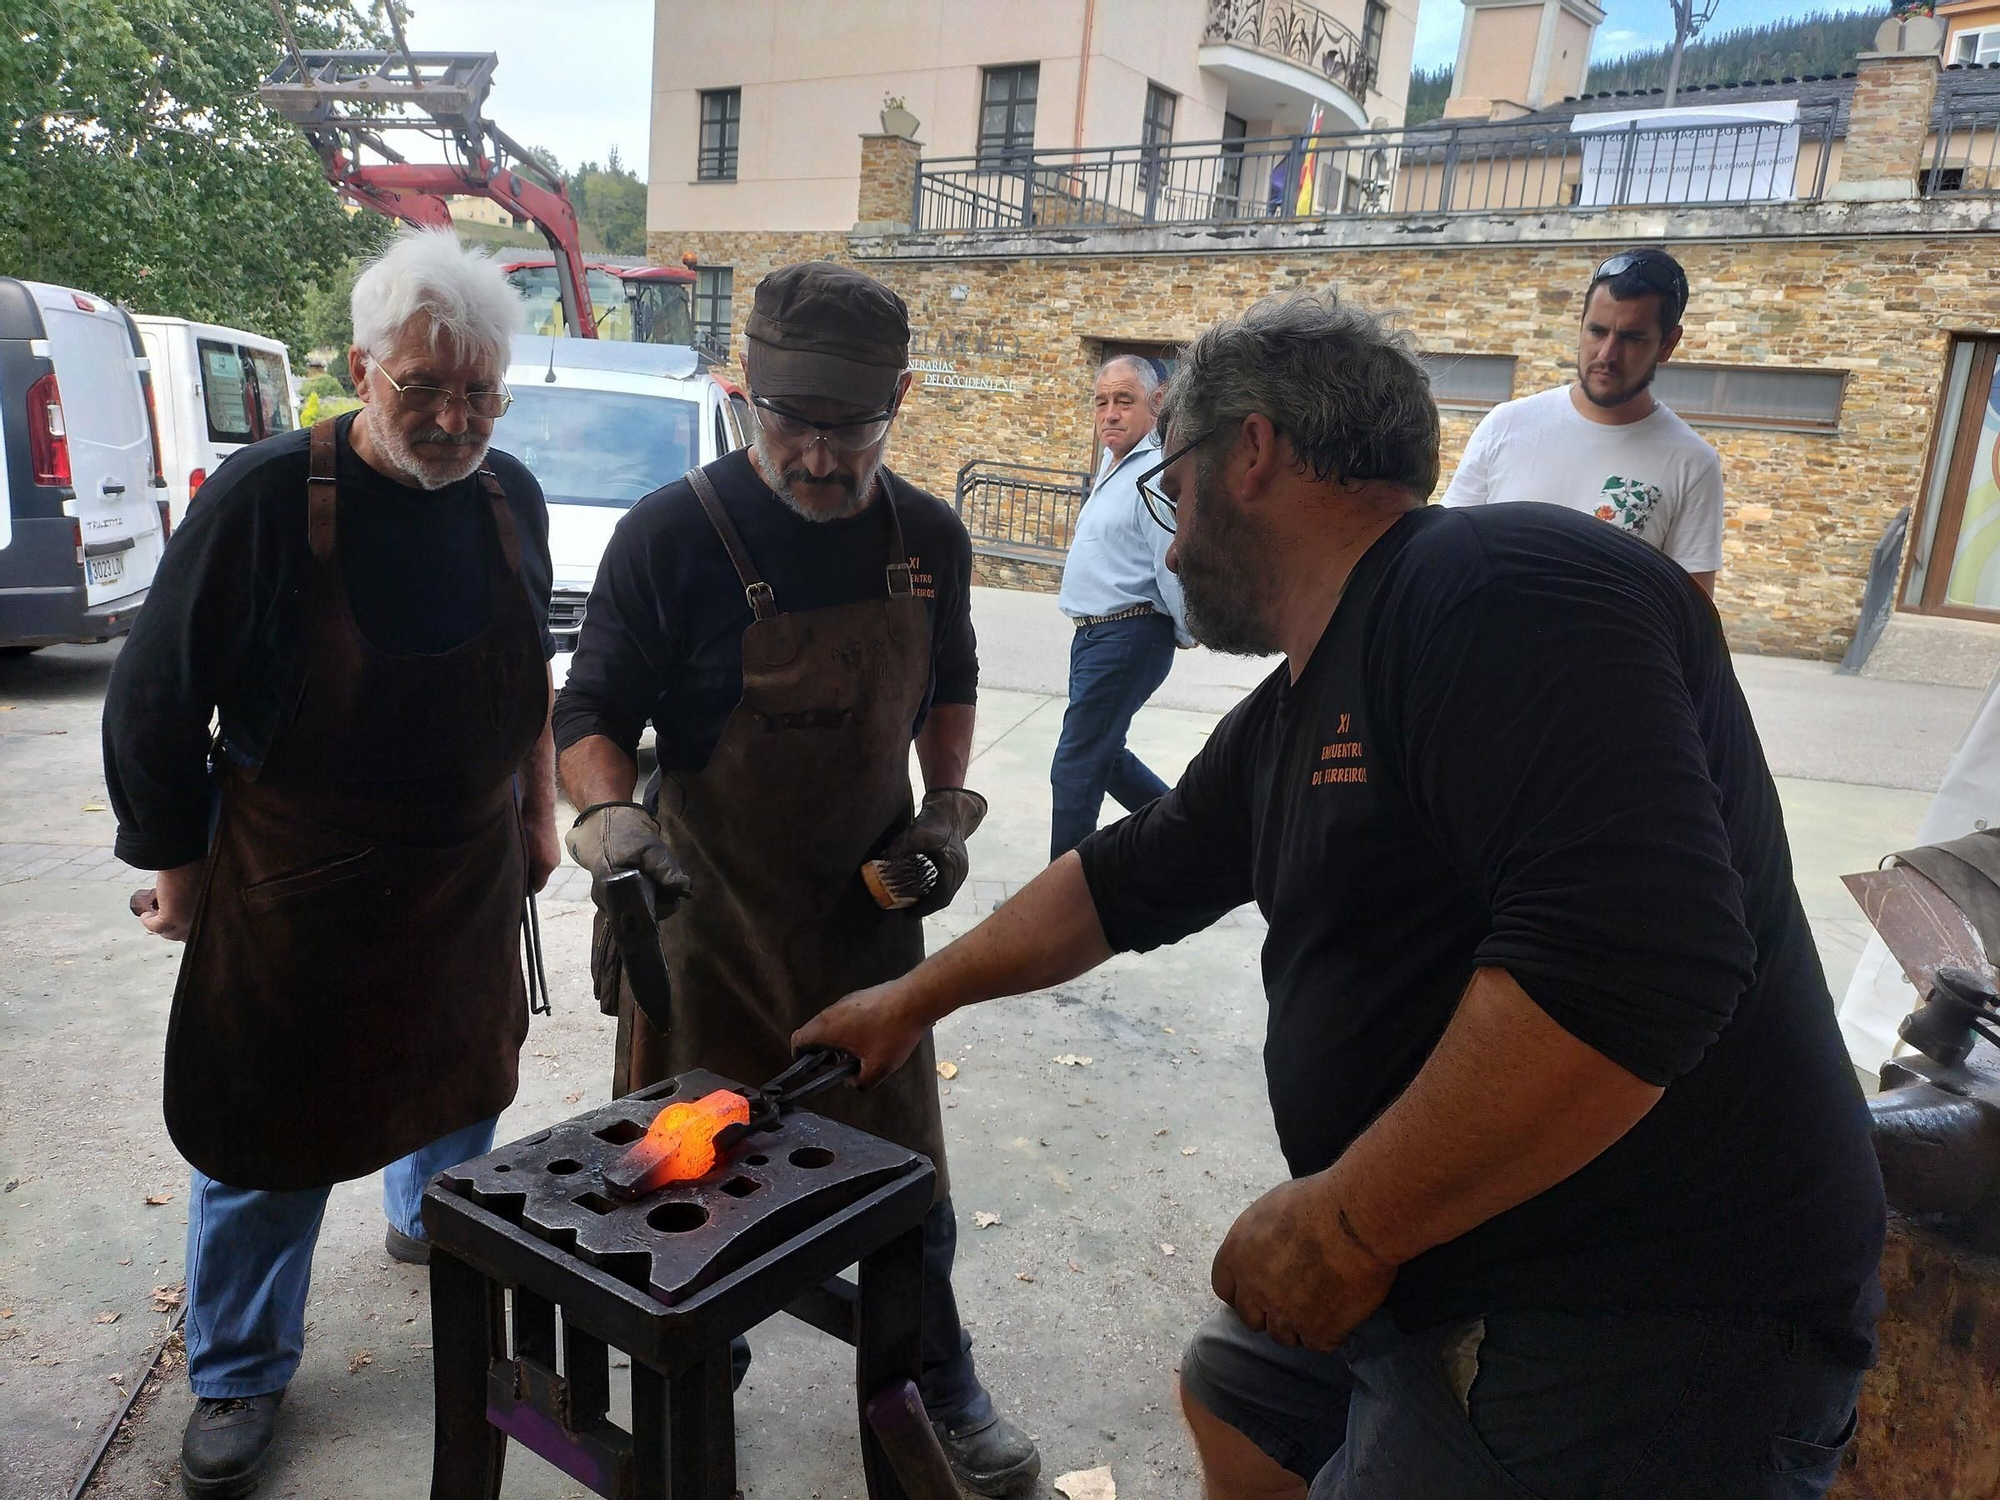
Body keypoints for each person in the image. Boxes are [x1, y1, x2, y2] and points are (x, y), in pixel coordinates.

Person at [798, 290, 1886, 1500]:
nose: (1166, 545)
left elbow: (1635, 971)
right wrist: (910, 999)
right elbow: (1118, 882)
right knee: (1235, 1392)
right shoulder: (1305, 701)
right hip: (1445, 1260)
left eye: (1172, 488)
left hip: (1632, 1315)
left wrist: (1346, 1228)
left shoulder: (1492, 586)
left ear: (1249, 452)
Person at [553, 261, 1040, 1496]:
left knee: (901, 1168)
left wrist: (943, 808)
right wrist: (608, 813)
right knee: (689, 1167)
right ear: (741, 392)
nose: (819, 460)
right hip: (700, 915)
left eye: (851, 430)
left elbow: (954, 678)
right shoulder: (670, 536)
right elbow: (591, 710)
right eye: (791, 425)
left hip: (865, 919)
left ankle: (934, 1371)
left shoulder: (924, 534)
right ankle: (695, 1366)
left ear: (901, 402)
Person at [102, 228, 559, 1499]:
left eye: (477, 393)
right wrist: (182, 872)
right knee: (263, 1123)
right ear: (360, 368)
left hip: (463, 871)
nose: (452, 418)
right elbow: (150, 701)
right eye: (422, 388)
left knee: (462, 1071)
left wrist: (534, 817)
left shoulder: (507, 497)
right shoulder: (264, 497)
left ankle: (428, 1221)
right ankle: (238, 1368)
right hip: (296, 880)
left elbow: (528, 680)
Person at [1442, 248, 1726, 594]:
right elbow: (1446, 557)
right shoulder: (1507, 425)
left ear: (1668, 344)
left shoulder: (1692, 463)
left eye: (1631, 338)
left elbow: (1693, 619)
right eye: (1597, 331)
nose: (1607, 354)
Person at [1050, 354, 1192, 859]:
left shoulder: (1154, 471)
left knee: (1074, 766)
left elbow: (1169, 559)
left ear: (1156, 404)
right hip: (1094, 638)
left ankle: (1058, 905)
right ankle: (1194, 838)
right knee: (1103, 758)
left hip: (1127, 635)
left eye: (1124, 400)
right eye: (1102, 401)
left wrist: (1183, 628)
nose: (1109, 413)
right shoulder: (1116, 465)